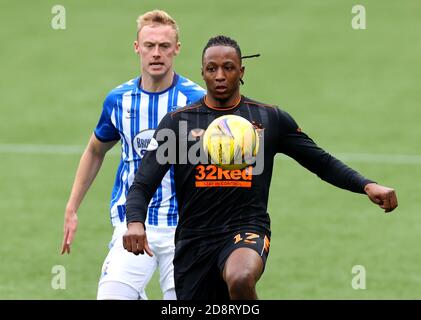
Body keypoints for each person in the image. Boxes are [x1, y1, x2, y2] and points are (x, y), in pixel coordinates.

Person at [122, 35, 398, 300]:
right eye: (212, 68)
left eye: (228, 68)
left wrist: (366, 185)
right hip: (194, 239)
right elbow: (143, 183)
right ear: (202, 73)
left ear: (241, 71)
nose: (220, 75)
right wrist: (135, 221)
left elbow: (321, 162)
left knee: (241, 278)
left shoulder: (269, 118)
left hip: (246, 228)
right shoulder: (177, 124)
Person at [60, 10, 205, 300]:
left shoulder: (196, 102)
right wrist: (72, 207)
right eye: (149, 45)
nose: (156, 53)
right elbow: (94, 150)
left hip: (186, 227)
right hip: (134, 223)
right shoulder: (119, 100)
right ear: (137, 48)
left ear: (176, 49)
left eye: (164, 46)